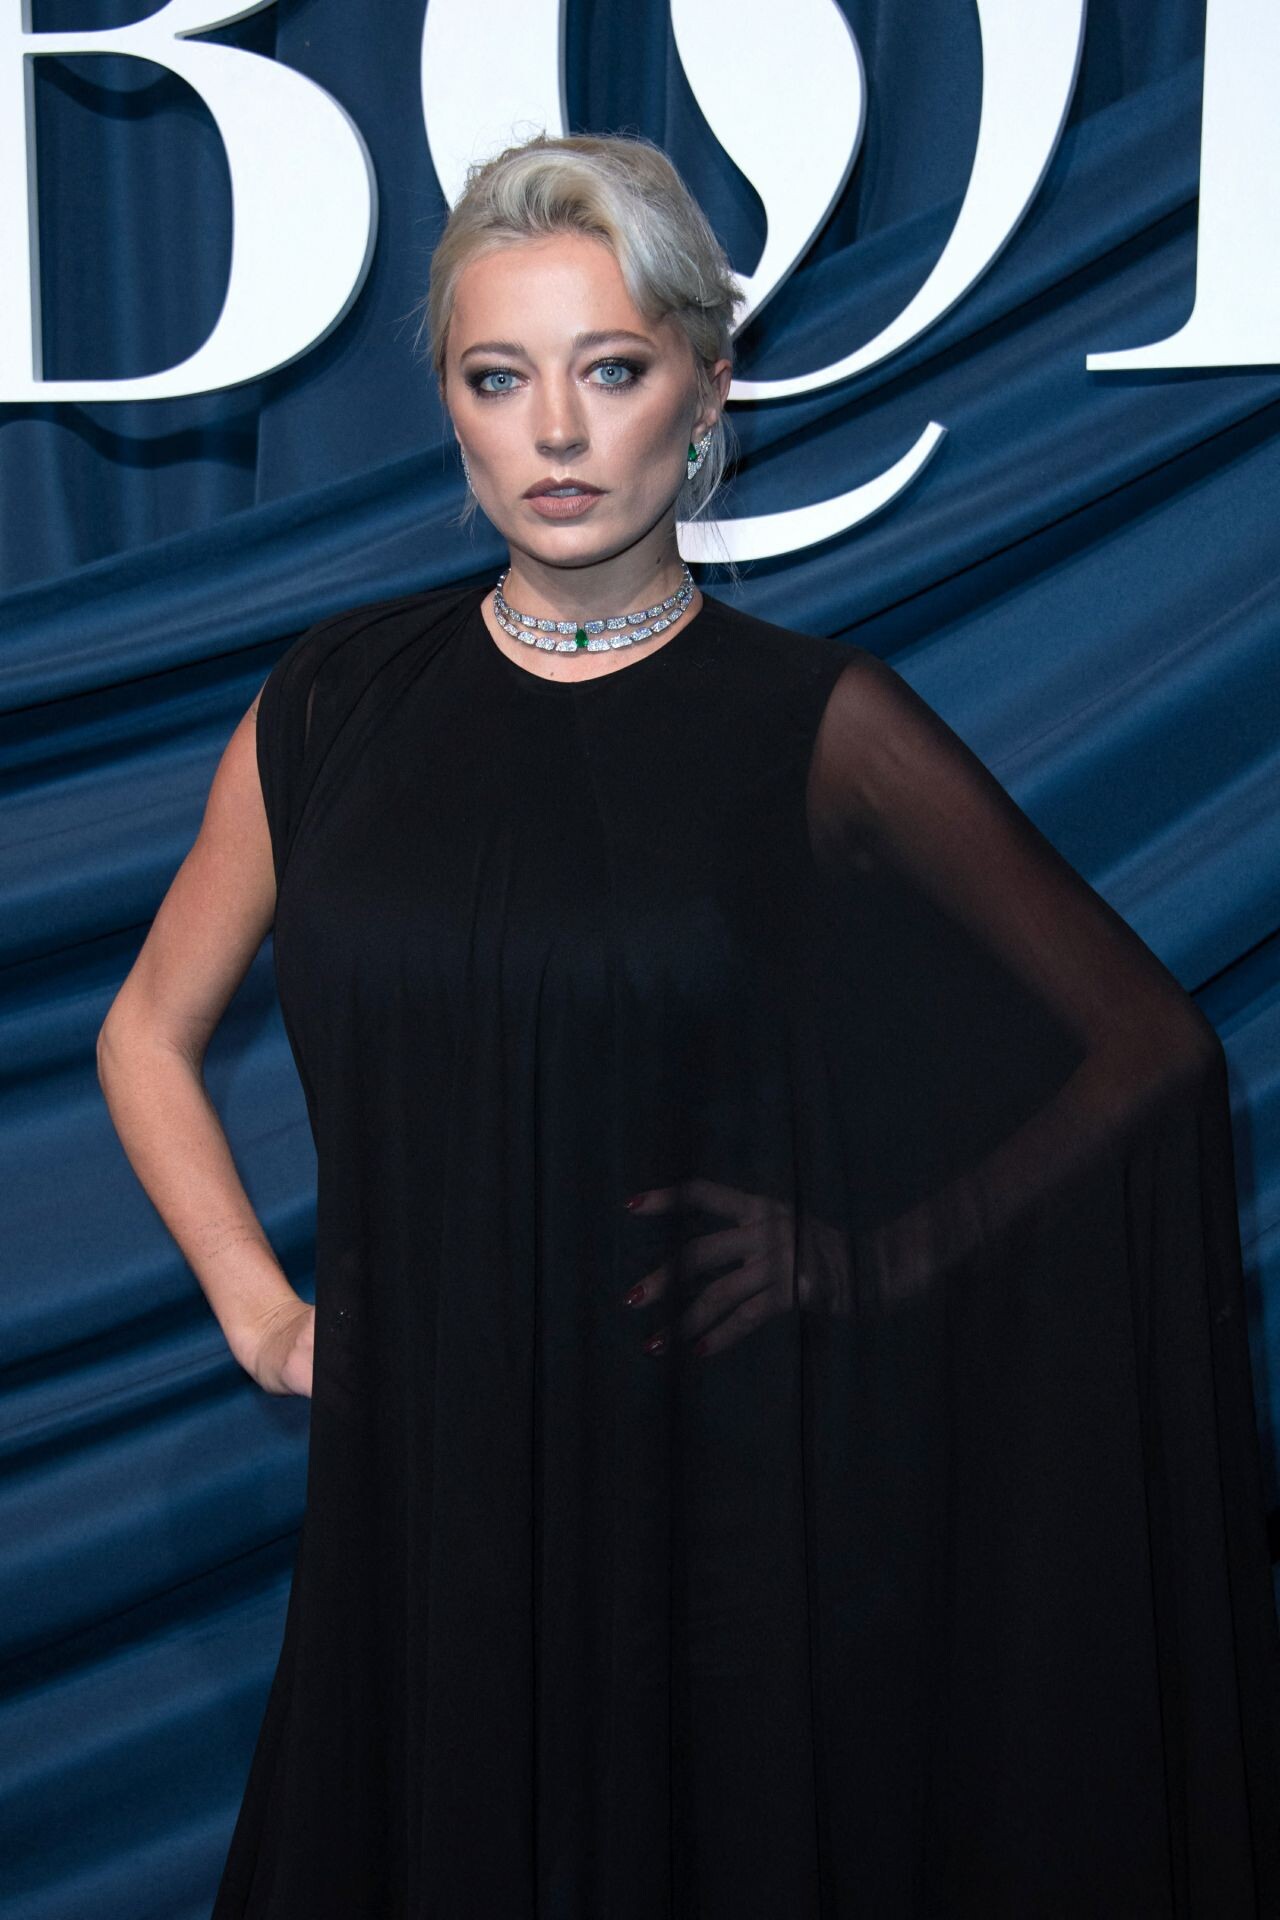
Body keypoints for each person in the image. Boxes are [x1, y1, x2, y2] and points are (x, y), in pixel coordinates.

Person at [96, 131, 1280, 1917]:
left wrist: (879, 1258)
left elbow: (1147, 1054)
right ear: (452, 407)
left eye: (613, 370)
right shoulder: (330, 709)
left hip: (713, 1501)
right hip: (424, 1493)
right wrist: (265, 1319)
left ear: (707, 389)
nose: (557, 435)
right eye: (501, 380)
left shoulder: (820, 724)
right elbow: (144, 1033)